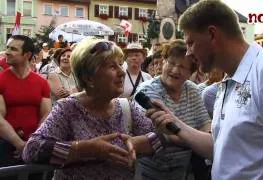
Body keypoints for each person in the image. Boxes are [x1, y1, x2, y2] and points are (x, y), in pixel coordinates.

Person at [144, 1, 263, 179]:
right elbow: (221, 149)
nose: (188, 53)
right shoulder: (230, 80)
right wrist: (175, 124)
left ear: (212, 34)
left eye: (191, 43)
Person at [22, 38, 164, 179]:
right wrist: (85, 149)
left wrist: (138, 144)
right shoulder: (68, 108)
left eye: (120, 65)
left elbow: (162, 138)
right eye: (112, 66)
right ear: (89, 78)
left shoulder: (127, 106)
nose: (122, 72)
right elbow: (32, 149)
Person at [134, 39, 211, 180]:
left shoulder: (192, 89)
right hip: (153, 172)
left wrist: (182, 137)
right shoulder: (147, 90)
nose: (175, 70)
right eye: (172, 63)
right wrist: (198, 141)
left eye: (182, 67)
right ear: (163, 62)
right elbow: (161, 136)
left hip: (186, 171)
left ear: (191, 73)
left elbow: (205, 125)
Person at [0, 35, 51, 166]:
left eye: (13, 49)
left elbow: (46, 116)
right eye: (7, 48)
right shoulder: (1, 80)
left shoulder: (42, 82)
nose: (7, 52)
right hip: (5, 144)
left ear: (27, 55)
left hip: (35, 144)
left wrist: (31, 142)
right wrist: (19, 144)